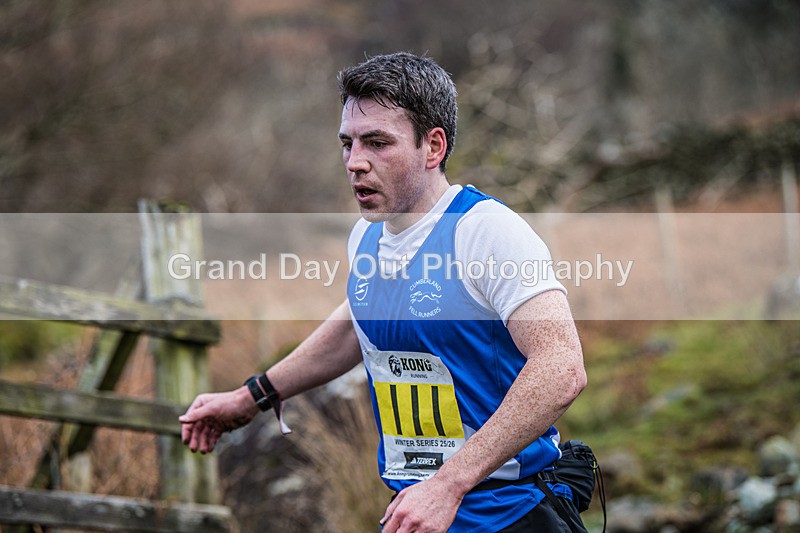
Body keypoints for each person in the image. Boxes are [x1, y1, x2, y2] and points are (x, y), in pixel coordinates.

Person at [179, 52, 588, 533]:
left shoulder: (485, 232)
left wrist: (448, 484)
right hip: (416, 513)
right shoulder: (368, 236)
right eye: (347, 144)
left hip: (508, 512)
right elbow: (357, 325)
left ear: (433, 146)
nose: (355, 163)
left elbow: (561, 368)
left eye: (377, 143)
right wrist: (251, 398)